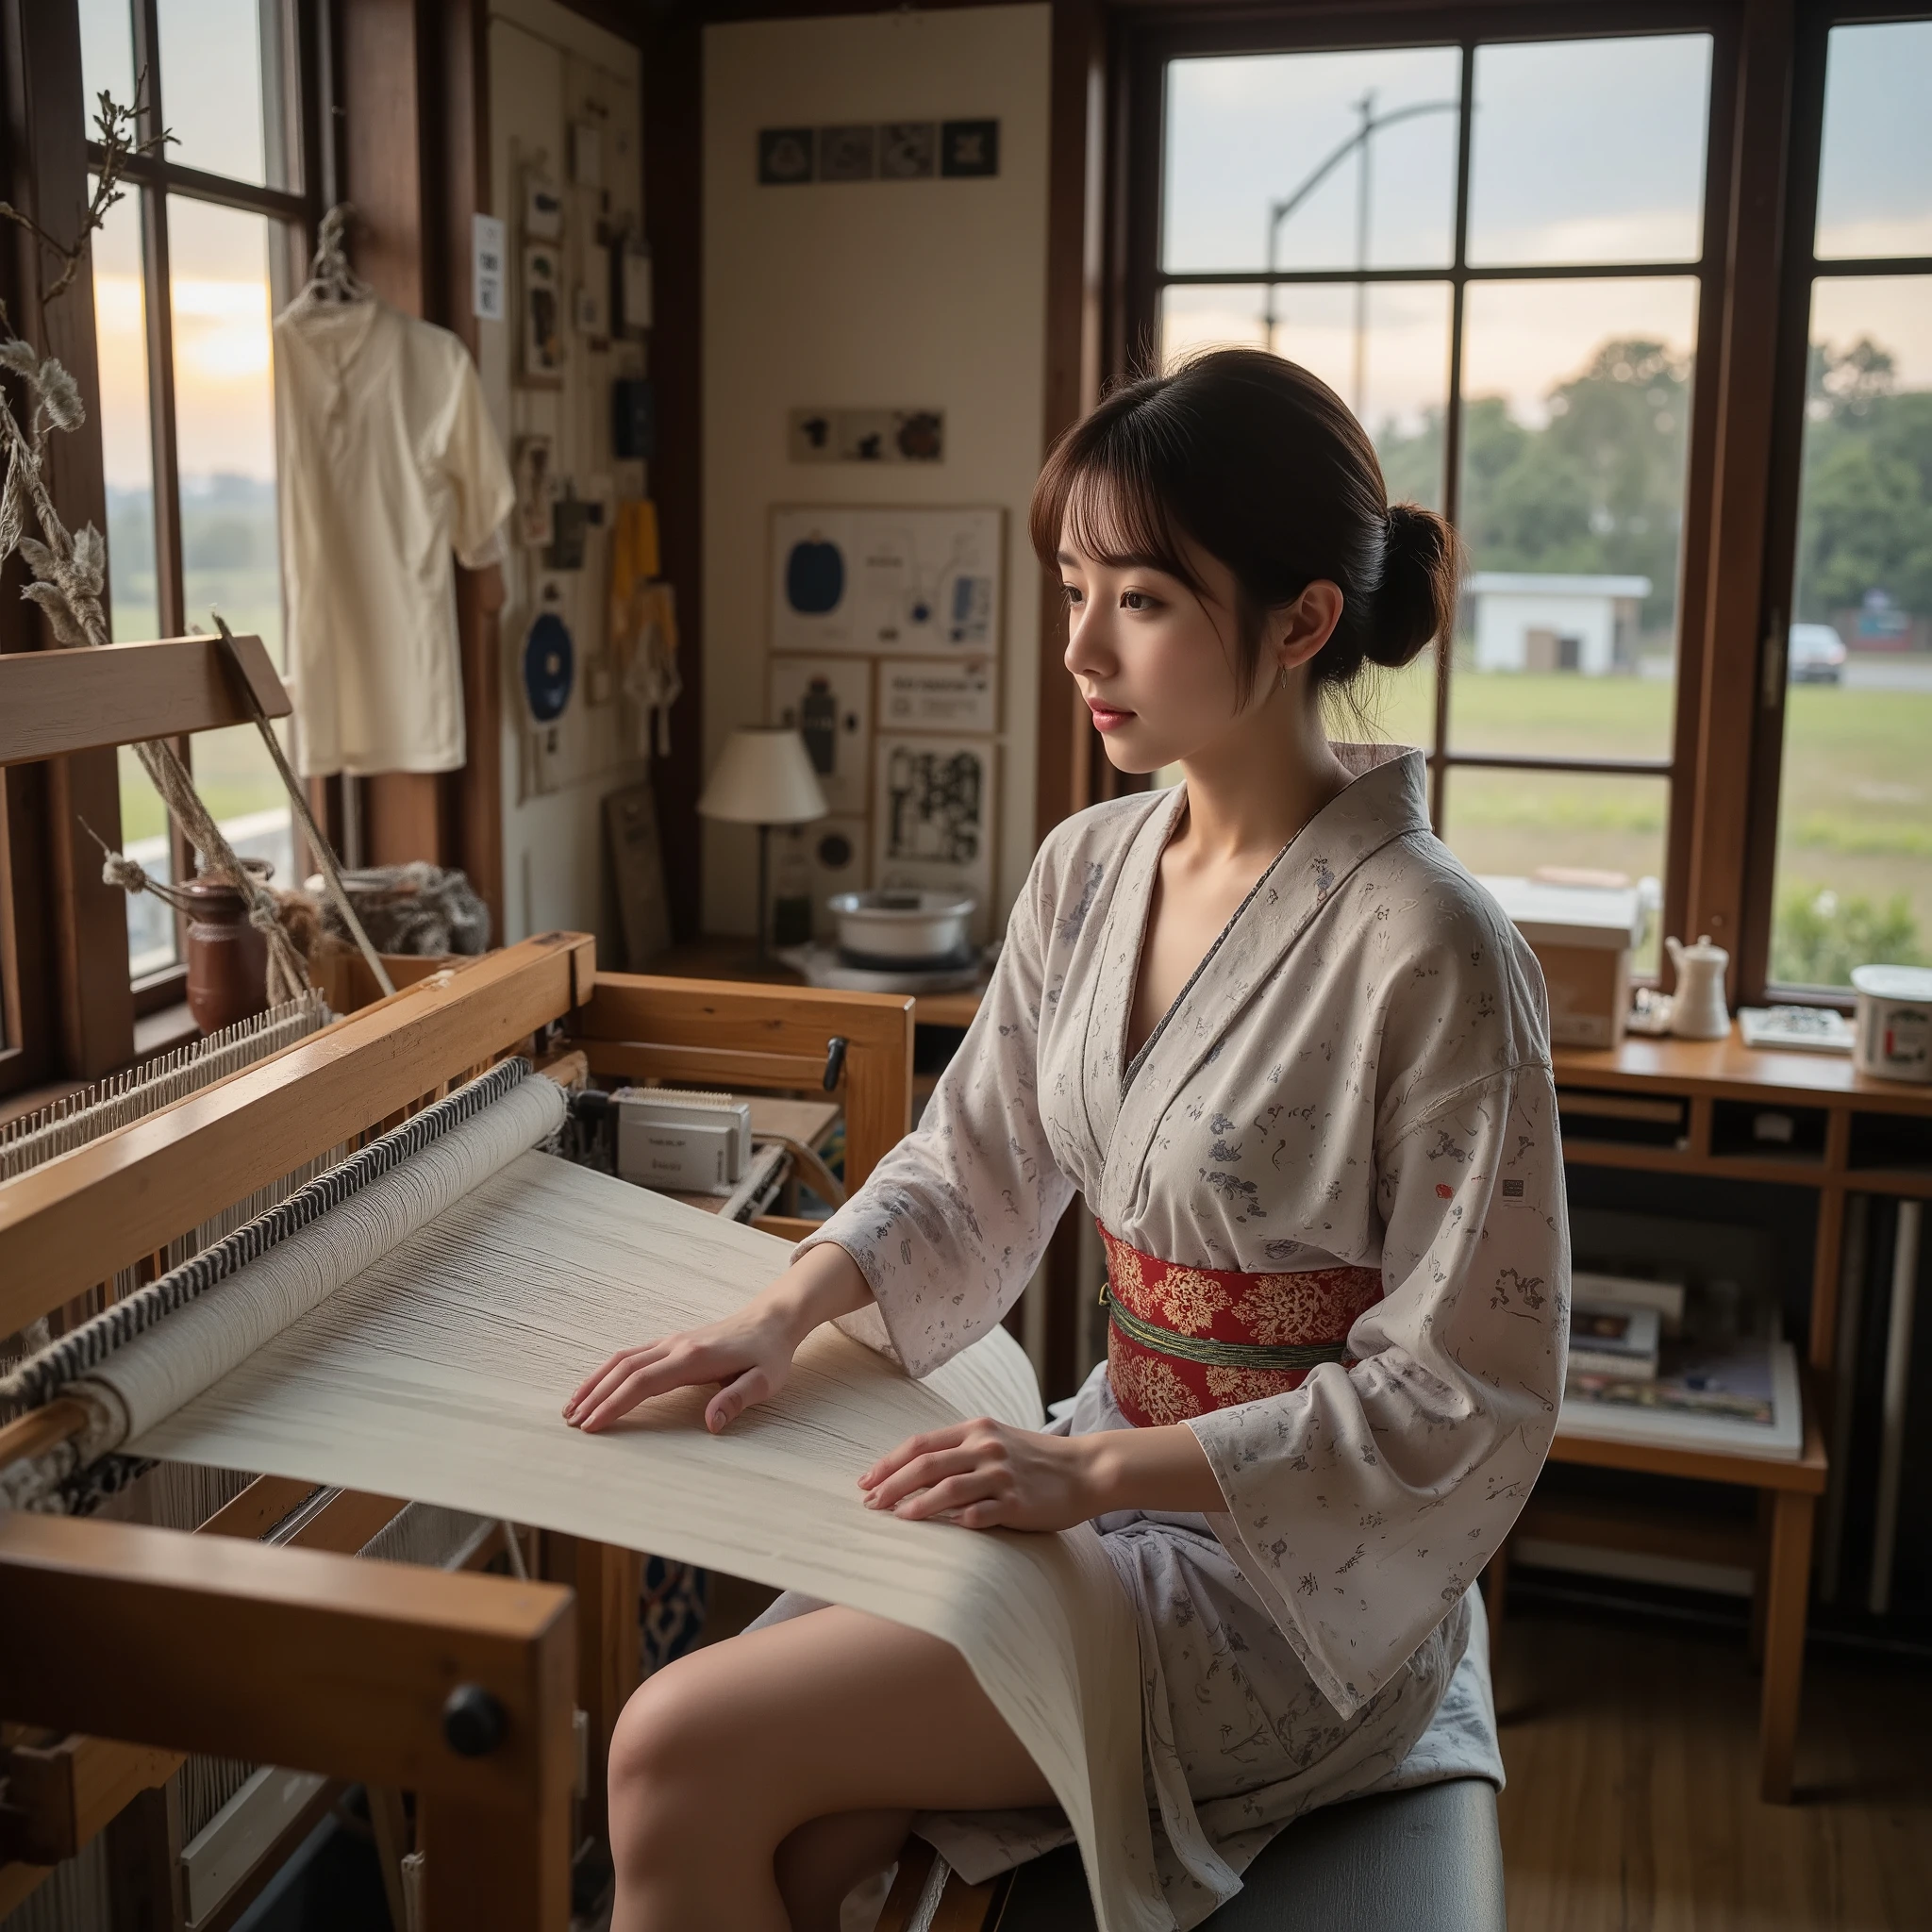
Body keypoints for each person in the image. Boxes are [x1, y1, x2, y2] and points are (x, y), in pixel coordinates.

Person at [564, 348, 1570, 1932]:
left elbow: (1466, 1392)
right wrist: (779, 1307)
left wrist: (1092, 1470)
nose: (1082, 646)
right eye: (1072, 585)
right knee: (790, 1845)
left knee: (676, 1741)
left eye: (1145, 599)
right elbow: (973, 1160)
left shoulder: (1431, 946)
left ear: (1305, 622)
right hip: (1098, 1471)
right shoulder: (1090, 867)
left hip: (1287, 1583)